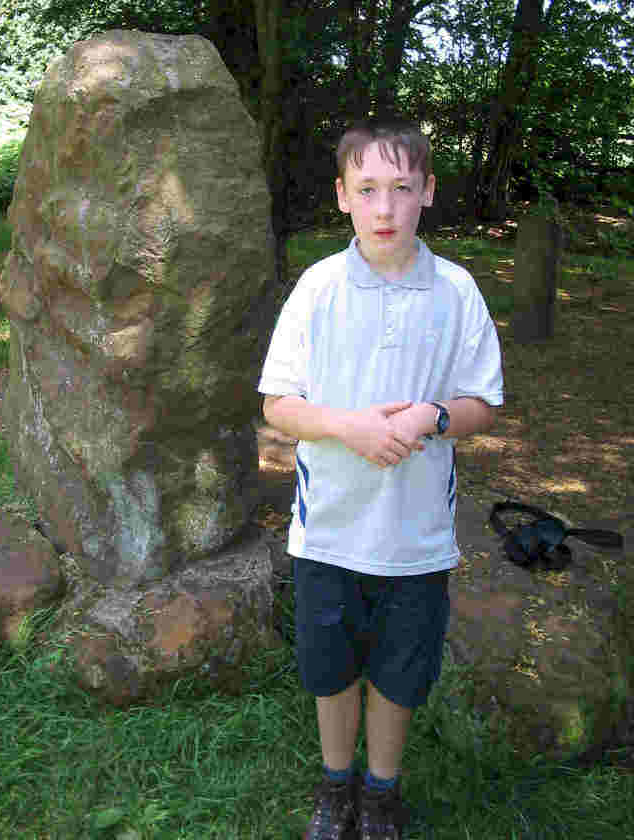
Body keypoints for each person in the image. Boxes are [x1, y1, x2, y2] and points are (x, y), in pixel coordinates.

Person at [258, 122, 503, 840]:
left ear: (427, 192)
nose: (385, 207)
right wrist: (349, 427)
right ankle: (336, 788)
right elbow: (279, 404)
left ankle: (382, 791)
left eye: (402, 188)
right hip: (329, 531)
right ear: (342, 197)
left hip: (416, 538)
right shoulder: (318, 287)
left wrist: (431, 416)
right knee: (331, 671)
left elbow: (482, 405)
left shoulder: (456, 290)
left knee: (399, 674)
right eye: (367, 190)